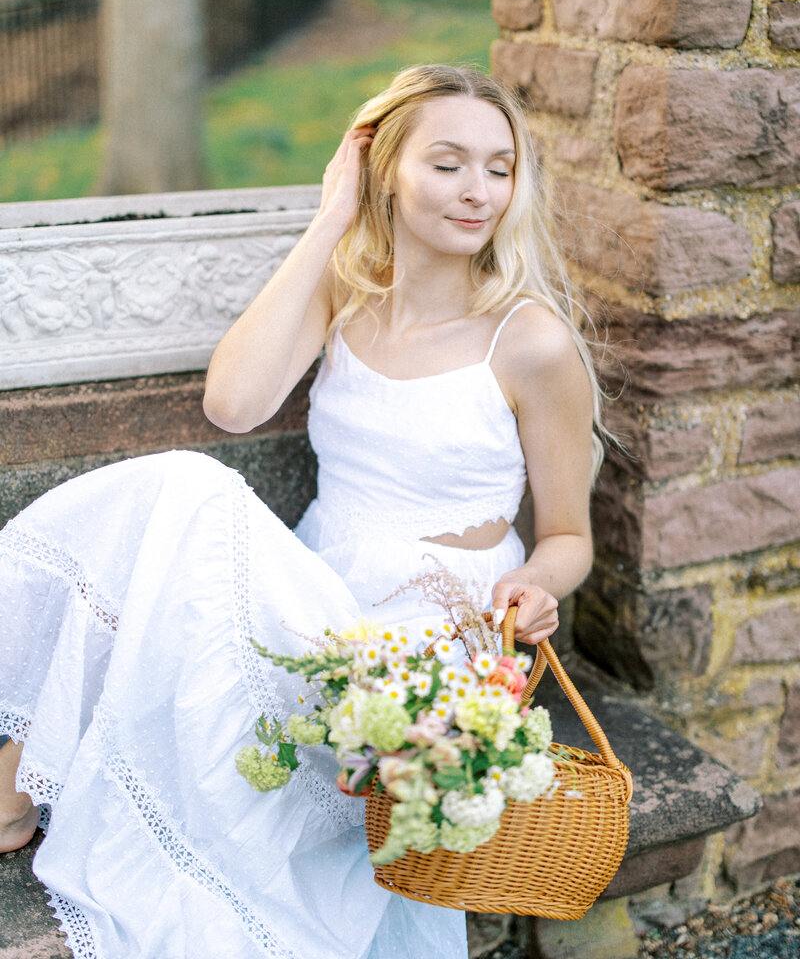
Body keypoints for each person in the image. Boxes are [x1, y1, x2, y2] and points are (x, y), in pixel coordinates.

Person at [0, 65, 602, 958]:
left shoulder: (531, 340)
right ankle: (14, 788)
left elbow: (569, 537)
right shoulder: (348, 292)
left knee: (190, 490)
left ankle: (11, 787)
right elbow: (233, 406)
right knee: (179, 494)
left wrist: (533, 585)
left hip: (429, 636)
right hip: (314, 590)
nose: (479, 191)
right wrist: (331, 218)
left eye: (499, 167)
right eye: (447, 163)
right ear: (384, 169)